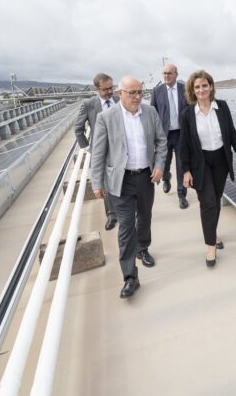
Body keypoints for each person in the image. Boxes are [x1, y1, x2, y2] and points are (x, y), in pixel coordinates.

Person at [90, 76, 167, 298]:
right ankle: (130, 277)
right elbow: (99, 153)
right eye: (131, 93)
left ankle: (143, 248)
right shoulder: (106, 117)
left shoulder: (150, 113)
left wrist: (160, 166)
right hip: (120, 181)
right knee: (125, 226)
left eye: (139, 93)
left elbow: (161, 142)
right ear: (119, 93)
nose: (136, 97)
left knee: (144, 216)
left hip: (145, 177)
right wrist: (97, 183)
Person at [179, 70, 236, 268]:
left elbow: (232, 133)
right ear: (192, 90)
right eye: (197, 87)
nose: (201, 90)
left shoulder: (222, 107)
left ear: (211, 87)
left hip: (221, 161)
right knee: (208, 202)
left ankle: (213, 232)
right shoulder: (187, 114)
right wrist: (185, 170)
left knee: (215, 200)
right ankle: (210, 246)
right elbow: (183, 145)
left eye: (204, 85)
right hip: (200, 163)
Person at [74, 72, 118, 230]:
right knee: (106, 184)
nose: (109, 92)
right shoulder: (89, 104)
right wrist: (87, 147)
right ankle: (111, 215)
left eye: (111, 88)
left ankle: (128, 209)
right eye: (105, 89)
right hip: (103, 151)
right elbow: (78, 128)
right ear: (97, 89)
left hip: (122, 150)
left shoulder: (120, 100)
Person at [150, 63, 189, 209]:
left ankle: (181, 195)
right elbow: (152, 114)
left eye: (169, 73)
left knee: (181, 165)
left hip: (181, 134)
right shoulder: (157, 91)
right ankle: (166, 178)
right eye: (164, 73)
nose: (166, 76)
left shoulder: (184, 89)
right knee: (163, 165)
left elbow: (190, 110)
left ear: (176, 75)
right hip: (163, 136)